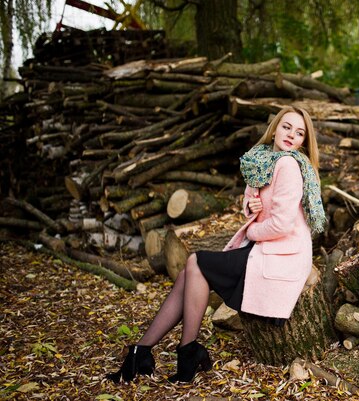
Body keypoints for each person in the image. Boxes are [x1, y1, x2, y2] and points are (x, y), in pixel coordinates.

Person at [106, 106, 326, 383]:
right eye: (286, 127)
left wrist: (253, 230)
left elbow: (282, 224)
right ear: (274, 128)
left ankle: (186, 352)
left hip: (282, 255)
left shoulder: (288, 165)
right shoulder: (262, 160)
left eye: (299, 132)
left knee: (196, 261)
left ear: (304, 141)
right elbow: (254, 202)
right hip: (267, 247)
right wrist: (251, 206)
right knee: (189, 273)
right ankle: (142, 351)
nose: (291, 135)